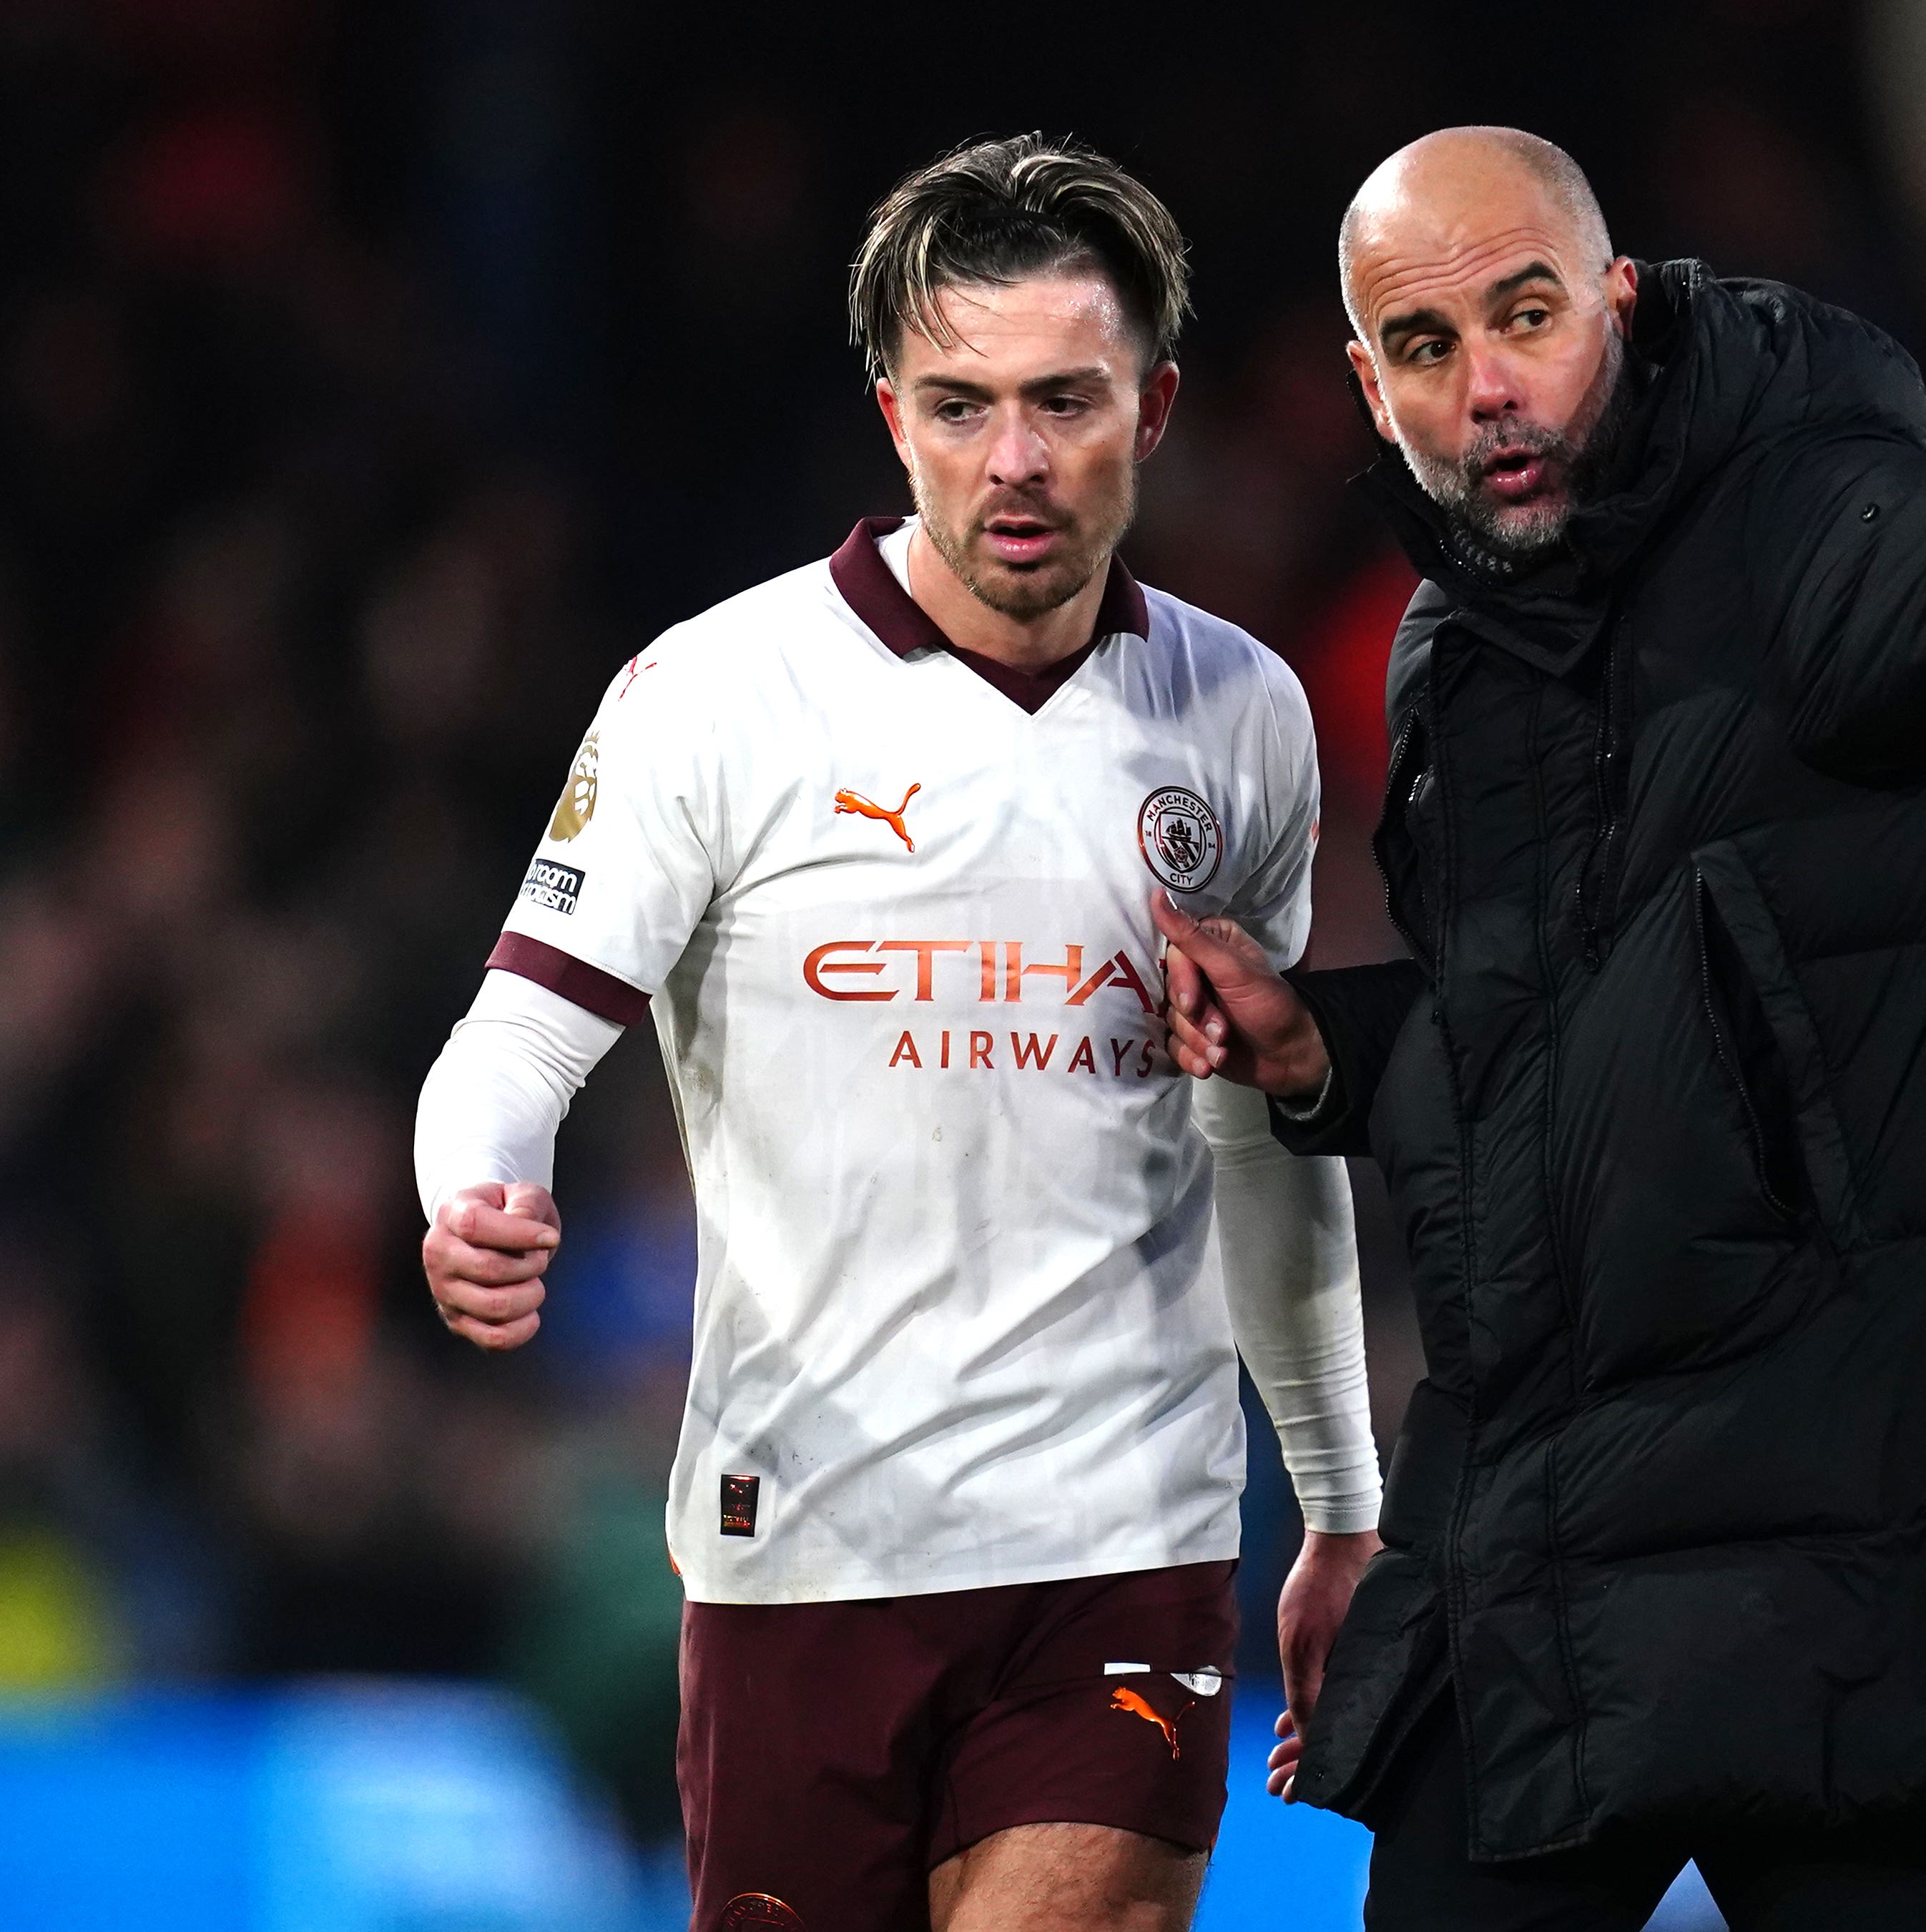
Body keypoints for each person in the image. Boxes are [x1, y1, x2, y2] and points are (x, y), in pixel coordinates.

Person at [1154, 127, 1926, 1930]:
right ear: (1370, 389)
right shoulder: (1456, 646)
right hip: (1547, 1540)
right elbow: (1558, 1045)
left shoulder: (1806, 511)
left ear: (1616, 299)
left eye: (1525, 315)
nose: (1492, 388)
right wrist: (1325, 1054)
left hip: (1840, 1526)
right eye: (1431, 350)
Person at [412, 134, 1382, 1932]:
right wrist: (477, 1187)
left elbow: (1269, 1134)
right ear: (889, 413)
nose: (1014, 460)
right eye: (960, 405)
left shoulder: (1240, 716)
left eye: (1064, 402)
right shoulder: (716, 691)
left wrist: (1334, 1498)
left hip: (1124, 1545)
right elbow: (516, 1039)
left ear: (1154, 406)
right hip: (806, 1544)